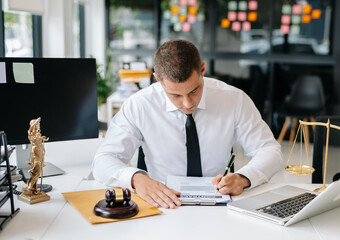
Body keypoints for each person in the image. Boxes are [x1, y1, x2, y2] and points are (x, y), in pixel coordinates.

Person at [92, 39, 282, 209]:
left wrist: (244, 178)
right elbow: (102, 161)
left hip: (220, 204)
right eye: (175, 95)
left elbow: (269, 150)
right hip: (163, 204)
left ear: (202, 69)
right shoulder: (139, 105)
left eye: (194, 91)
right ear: (158, 79)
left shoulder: (234, 99)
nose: (188, 103)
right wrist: (136, 179)